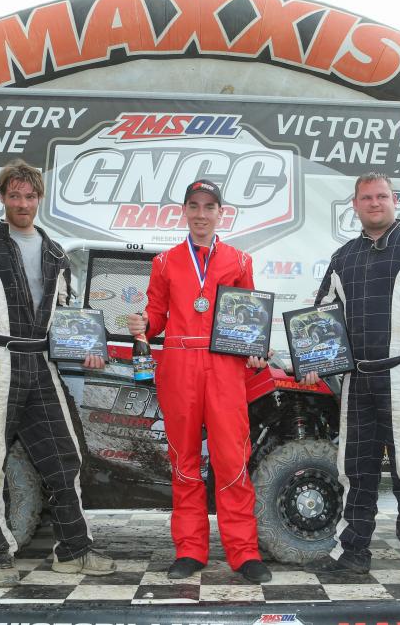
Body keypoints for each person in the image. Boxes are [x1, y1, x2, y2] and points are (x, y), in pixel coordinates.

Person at [0, 159, 116, 587]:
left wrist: (89, 348)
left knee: (66, 457)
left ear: (40, 199)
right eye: (15, 195)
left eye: (30, 195)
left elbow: (65, 318)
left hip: (42, 362)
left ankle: (73, 550)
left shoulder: (56, 252)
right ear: (3, 198)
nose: (23, 203)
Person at [302, 172, 400, 597]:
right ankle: (352, 552)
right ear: (354, 205)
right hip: (357, 379)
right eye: (366, 198)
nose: (375, 203)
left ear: (394, 201)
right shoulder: (344, 257)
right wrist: (314, 359)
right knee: (354, 470)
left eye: (382, 196)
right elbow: (321, 316)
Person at [126, 179, 272, 584]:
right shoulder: (165, 262)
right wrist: (144, 323)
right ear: (185, 211)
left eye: (209, 207)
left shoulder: (239, 261)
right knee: (184, 461)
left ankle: (244, 553)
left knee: (231, 460)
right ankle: (190, 549)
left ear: (220, 213)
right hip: (179, 366)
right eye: (194, 206)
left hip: (225, 368)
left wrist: (256, 345)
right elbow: (155, 316)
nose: (201, 214)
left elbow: (249, 314)